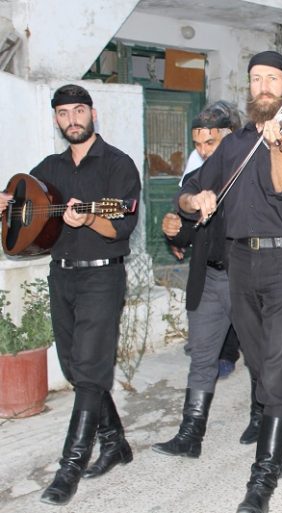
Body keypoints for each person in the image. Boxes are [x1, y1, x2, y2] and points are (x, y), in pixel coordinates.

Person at [176, 51, 282, 513]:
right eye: (255, 78)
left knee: (279, 364)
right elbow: (190, 192)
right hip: (240, 261)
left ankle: (261, 481)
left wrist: (279, 147)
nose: (262, 86)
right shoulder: (234, 142)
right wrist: (194, 197)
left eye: (271, 79)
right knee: (262, 364)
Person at [0, 84, 141, 505]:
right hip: (61, 276)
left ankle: (71, 465)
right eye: (64, 114)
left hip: (102, 277)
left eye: (79, 111)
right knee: (79, 368)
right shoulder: (48, 168)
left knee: (90, 368)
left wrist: (87, 220)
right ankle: (114, 442)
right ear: (57, 119)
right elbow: (24, 210)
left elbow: (120, 227)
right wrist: (8, 205)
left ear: (93, 114)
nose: (72, 120)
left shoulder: (118, 165)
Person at [152, 102, 257, 459]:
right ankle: (190, 435)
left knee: (259, 355)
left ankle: (261, 416)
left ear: (231, 138)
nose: (202, 151)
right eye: (198, 143)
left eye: (211, 143)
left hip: (245, 278)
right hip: (208, 278)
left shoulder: (252, 168)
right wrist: (174, 229)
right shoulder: (199, 175)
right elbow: (186, 225)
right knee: (201, 357)